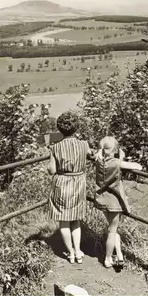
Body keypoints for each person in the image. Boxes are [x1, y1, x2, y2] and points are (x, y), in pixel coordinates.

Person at [93, 136, 142, 269]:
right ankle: (108, 259)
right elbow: (138, 166)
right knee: (112, 230)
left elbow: (100, 155)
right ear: (115, 149)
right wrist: (121, 158)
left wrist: (100, 151)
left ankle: (119, 254)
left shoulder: (98, 159)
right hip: (114, 201)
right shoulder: (117, 163)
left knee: (112, 228)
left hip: (102, 199)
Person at [47, 111, 90, 264]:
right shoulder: (84, 145)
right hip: (79, 183)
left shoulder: (55, 147)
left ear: (59, 128)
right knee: (75, 220)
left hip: (62, 183)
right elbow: (91, 155)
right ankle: (78, 252)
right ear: (76, 128)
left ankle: (70, 253)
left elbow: (51, 170)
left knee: (63, 220)